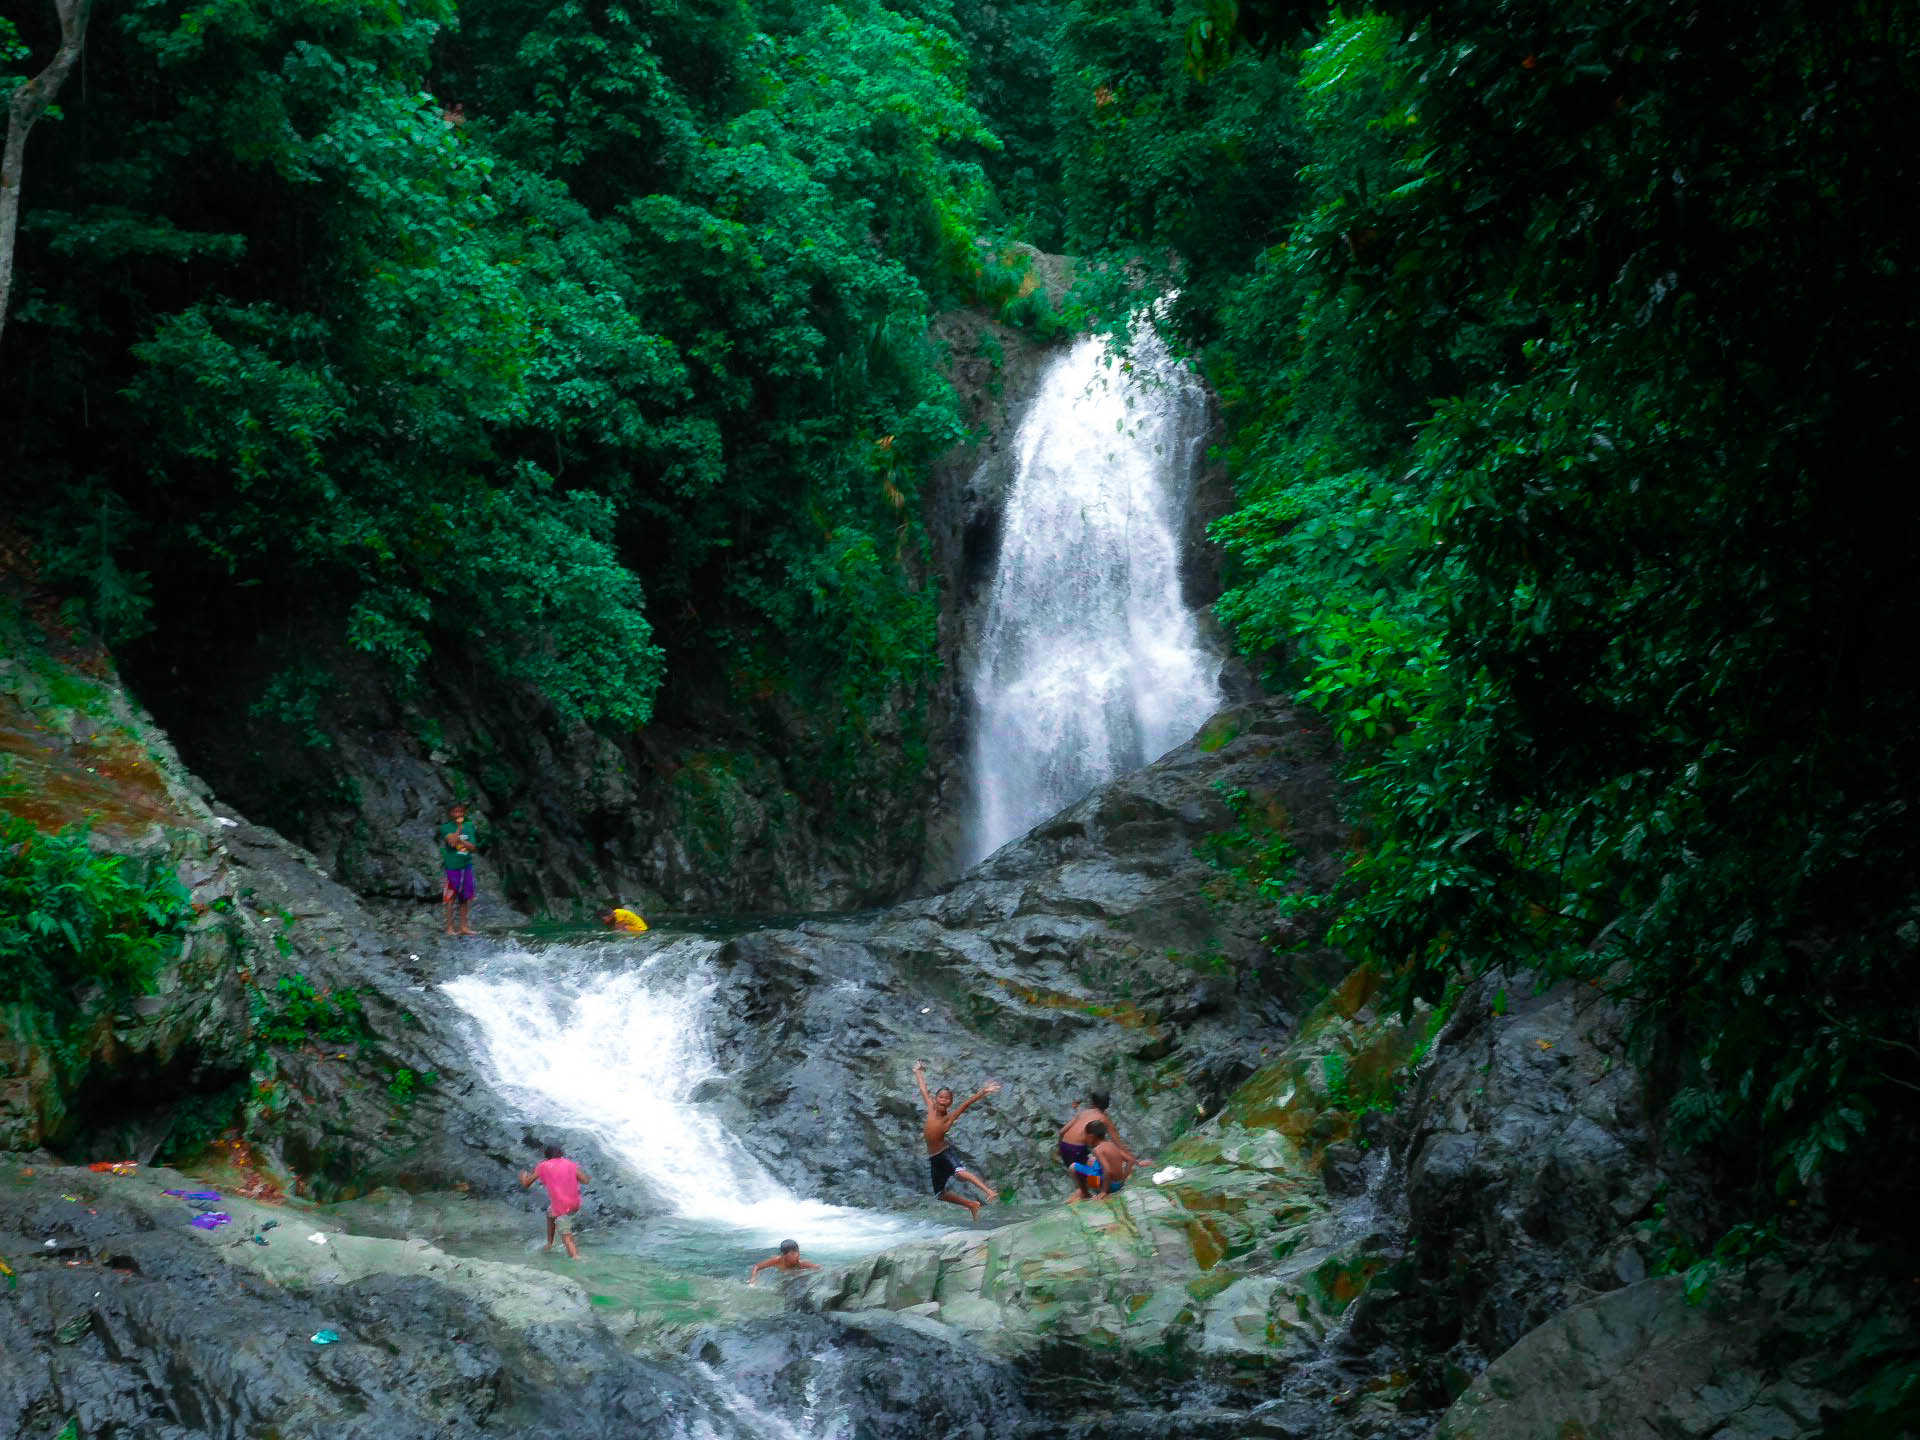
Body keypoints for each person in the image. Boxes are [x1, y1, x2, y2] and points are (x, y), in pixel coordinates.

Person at [913, 1060, 1000, 1221]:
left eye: (947, 1099)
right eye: (941, 1097)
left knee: (960, 1173)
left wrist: (983, 1092)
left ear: (950, 1103)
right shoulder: (931, 1108)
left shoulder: (949, 1119)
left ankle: (988, 1191)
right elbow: (923, 1089)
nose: (943, 1100)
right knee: (940, 1194)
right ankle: (972, 1205)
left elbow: (966, 1104)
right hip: (934, 1159)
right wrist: (918, 1071)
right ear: (936, 1098)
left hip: (944, 1154)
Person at [1059, 1089, 1144, 1203]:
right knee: (1089, 1167)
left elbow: (1061, 1132)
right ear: (1107, 1105)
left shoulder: (1083, 1113)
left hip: (1064, 1146)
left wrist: (1059, 1149)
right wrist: (1136, 1163)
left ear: (1092, 1103)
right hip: (1078, 1149)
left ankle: (1084, 1191)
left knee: (1086, 1165)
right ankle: (1084, 1192)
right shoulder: (1103, 1121)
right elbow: (1118, 1143)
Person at [518, 1143, 589, 1259]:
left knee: (566, 1237)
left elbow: (526, 1184)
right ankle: (550, 1244)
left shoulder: (543, 1166)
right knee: (550, 1213)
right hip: (575, 1204)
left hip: (562, 1208)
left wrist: (523, 1177)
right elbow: (585, 1180)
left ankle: (577, 1259)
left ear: (547, 1155)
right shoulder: (570, 1164)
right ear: (560, 1153)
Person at [438, 803, 479, 937]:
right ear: (451, 813)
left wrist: (462, 841)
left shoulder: (470, 826)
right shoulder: (446, 827)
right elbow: (452, 843)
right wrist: (459, 830)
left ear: (464, 813)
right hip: (452, 865)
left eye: (460, 812)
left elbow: (473, 847)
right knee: (450, 896)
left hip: (466, 864)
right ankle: (449, 927)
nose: (458, 815)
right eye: (455, 812)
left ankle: (463, 927)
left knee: (465, 896)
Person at [1070, 1120, 1136, 1198]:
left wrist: (1104, 1192)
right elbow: (1130, 1160)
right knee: (1092, 1160)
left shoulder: (1097, 1149)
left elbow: (1107, 1170)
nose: (1084, 1139)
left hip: (1110, 1188)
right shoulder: (1111, 1144)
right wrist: (1123, 1178)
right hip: (1119, 1184)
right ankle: (1094, 1188)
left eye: (1085, 1136)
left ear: (1091, 1137)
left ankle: (1085, 1193)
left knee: (1073, 1167)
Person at [747, 1238, 821, 1285]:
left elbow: (818, 1268)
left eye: (797, 1252)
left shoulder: (802, 1263)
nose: (797, 1255)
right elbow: (757, 1267)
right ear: (784, 1255)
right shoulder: (776, 1261)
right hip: (785, 1278)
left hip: (800, 1278)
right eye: (793, 1254)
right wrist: (753, 1278)